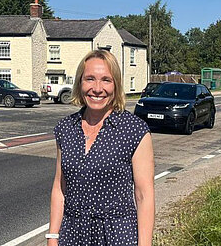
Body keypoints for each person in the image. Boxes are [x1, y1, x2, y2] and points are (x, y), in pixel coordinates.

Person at [47, 50, 155, 246]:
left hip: (117, 235)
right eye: (90, 79)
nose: (97, 88)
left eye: (106, 80)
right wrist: (53, 236)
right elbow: (59, 188)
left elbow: (144, 195)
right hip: (72, 234)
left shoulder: (134, 130)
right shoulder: (65, 129)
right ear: (80, 83)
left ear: (116, 86)